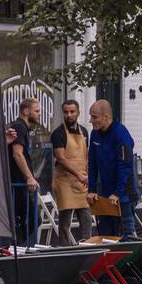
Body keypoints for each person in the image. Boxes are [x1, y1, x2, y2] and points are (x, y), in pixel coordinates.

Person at [87, 100, 138, 237]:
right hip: (105, 193)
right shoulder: (95, 134)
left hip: (124, 193)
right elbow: (92, 162)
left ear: (106, 116)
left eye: (94, 117)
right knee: (106, 235)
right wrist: (91, 189)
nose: (91, 120)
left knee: (126, 235)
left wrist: (118, 192)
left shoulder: (121, 134)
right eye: (91, 116)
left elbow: (125, 165)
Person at [50, 100, 92, 245]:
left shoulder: (84, 132)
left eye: (72, 112)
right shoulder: (58, 133)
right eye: (66, 112)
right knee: (65, 220)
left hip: (82, 181)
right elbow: (61, 158)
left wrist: (87, 174)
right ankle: (65, 248)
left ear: (78, 112)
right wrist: (79, 174)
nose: (69, 115)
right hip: (65, 182)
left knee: (86, 217)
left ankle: (87, 246)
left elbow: (86, 155)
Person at [7, 97, 41, 246]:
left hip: (22, 182)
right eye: (37, 111)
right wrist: (29, 178)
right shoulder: (19, 127)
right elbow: (17, 154)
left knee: (30, 218)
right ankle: (17, 248)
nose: (39, 114)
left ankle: (19, 247)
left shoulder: (24, 128)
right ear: (26, 111)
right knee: (30, 218)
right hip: (18, 181)